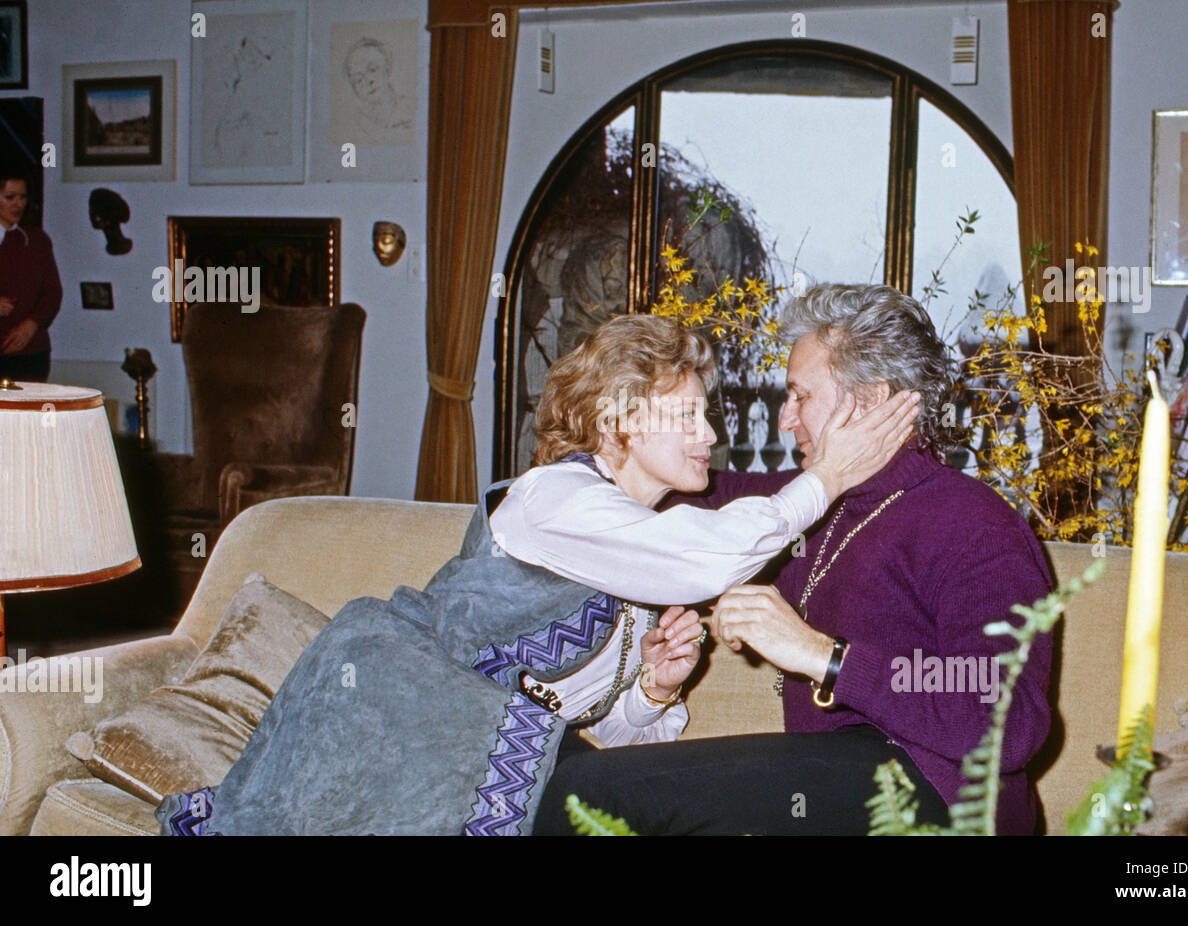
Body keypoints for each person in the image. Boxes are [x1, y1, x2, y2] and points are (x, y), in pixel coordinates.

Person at [155, 313, 919, 835]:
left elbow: (588, 745)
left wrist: (652, 692)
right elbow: (708, 554)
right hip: (384, 713)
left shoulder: (633, 559)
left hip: (463, 758)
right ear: (618, 418)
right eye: (687, 415)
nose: (711, 435)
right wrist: (829, 478)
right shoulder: (551, 496)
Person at [535, 284, 1055, 836]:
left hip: (935, 798)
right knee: (559, 763)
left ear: (871, 400)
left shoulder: (972, 520)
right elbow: (678, 491)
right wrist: (610, 427)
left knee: (587, 794)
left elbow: (1009, 716)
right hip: (832, 795)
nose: (786, 420)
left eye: (800, 396)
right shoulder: (807, 505)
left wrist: (826, 657)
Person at [0, 166, 62, 383]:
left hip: (31, 353)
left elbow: (52, 293)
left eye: (23, 197)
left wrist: (32, 324)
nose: (19, 204)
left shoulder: (36, 240)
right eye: (10, 197)